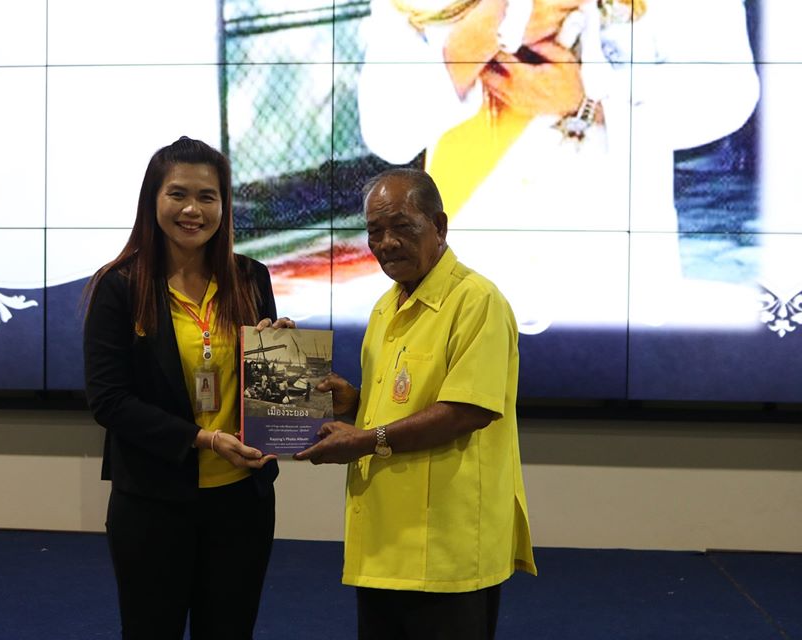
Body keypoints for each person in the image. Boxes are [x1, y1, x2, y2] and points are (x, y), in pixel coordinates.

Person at [356, 0, 759, 331]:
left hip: (609, 285)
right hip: (466, 293)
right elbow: (387, 129)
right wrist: (492, 29)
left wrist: (590, 101)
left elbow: (729, 91)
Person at [295, 168, 536, 640]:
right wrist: (355, 403)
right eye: (374, 231)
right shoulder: (385, 307)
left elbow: (467, 411)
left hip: (446, 549)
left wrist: (364, 441)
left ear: (439, 226)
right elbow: (406, 403)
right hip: (383, 543)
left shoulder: (477, 301)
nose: (386, 243)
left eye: (401, 227)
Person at [83, 136, 294, 639]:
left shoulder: (251, 278)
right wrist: (202, 439)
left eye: (207, 196)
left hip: (241, 502)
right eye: (177, 194)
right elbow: (109, 401)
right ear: (153, 200)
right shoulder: (119, 286)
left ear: (224, 204)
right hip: (152, 502)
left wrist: (279, 354)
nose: (192, 210)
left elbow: (267, 395)